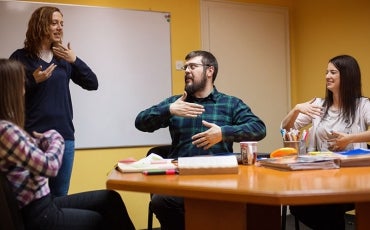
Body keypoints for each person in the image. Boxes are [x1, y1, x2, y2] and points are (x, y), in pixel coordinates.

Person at [135, 50, 266, 230]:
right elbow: (140, 122)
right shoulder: (176, 103)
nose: (187, 70)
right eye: (185, 67)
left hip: (220, 180)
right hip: (181, 179)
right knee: (161, 201)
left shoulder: (230, 104)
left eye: (193, 66)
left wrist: (223, 133)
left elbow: (259, 128)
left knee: (256, 204)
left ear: (209, 71)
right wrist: (169, 110)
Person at [0, 58, 135, 230]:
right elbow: (50, 166)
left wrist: (43, 140)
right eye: (21, 84)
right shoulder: (6, 131)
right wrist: (55, 137)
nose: (24, 89)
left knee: (110, 199)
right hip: (40, 215)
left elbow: (30, 148)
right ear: (9, 89)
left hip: (45, 204)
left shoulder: (8, 129)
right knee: (98, 220)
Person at [9, 6, 98, 197]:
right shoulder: (20, 58)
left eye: (62, 24)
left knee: (60, 198)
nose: (60, 28)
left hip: (64, 138)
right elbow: (8, 93)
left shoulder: (63, 59)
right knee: (34, 199)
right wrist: (33, 80)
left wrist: (75, 60)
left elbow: (93, 83)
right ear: (41, 25)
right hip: (32, 138)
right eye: (54, 23)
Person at [281, 54, 370, 229]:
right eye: (326, 72)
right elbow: (286, 129)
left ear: (347, 76)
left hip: (352, 180)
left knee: (329, 208)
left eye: (333, 72)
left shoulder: (363, 105)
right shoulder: (319, 105)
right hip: (319, 178)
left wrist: (349, 139)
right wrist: (296, 109)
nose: (327, 76)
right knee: (299, 205)